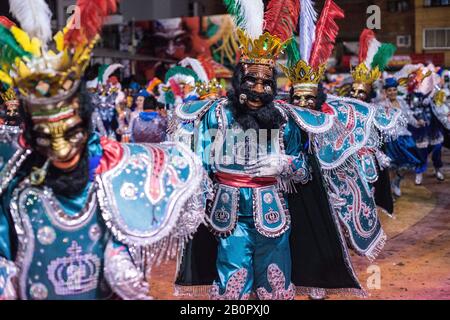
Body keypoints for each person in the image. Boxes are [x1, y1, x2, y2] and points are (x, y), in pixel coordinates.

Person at [173, 0, 380, 300]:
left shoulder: (285, 118)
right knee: (233, 284)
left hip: (273, 214)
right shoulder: (215, 115)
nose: (258, 90)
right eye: (251, 81)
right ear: (238, 81)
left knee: (274, 285)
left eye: (265, 83)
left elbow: (304, 169)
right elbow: (200, 165)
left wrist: (284, 165)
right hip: (227, 215)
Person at [0, 1, 207, 300]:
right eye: (47, 136)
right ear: (32, 138)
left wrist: (117, 262)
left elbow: (114, 234)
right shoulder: (14, 185)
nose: (61, 147)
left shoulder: (107, 176)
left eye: (71, 132)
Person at [381, 78, 422, 197]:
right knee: (391, 167)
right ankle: (388, 193)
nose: (392, 92)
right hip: (390, 139)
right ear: (386, 92)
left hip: (404, 137)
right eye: (390, 90)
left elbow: (409, 117)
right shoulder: (382, 105)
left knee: (407, 164)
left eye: (394, 90)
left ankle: (396, 182)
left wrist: (417, 122)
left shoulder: (402, 102)